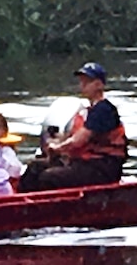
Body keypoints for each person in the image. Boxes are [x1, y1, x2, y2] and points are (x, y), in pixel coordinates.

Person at [17, 62, 127, 191]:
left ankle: (49, 209)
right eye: (82, 81)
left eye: (88, 81)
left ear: (99, 85)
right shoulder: (87, 110)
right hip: (83, 163)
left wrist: (58, 148)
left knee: (49, 177)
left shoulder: (104, 110)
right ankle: (19, 203)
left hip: (101, 167)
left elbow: (79, 140)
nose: (83, 85)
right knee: (34, 168)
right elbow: (73, 137)